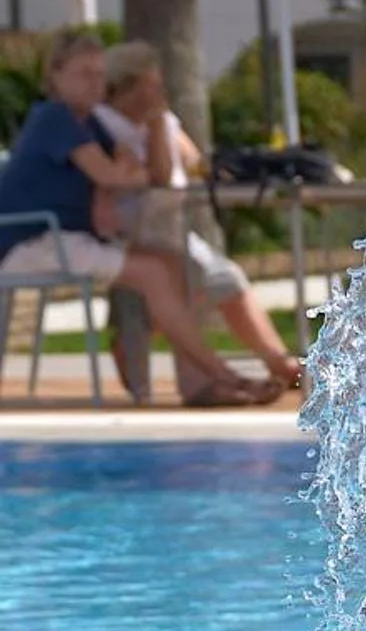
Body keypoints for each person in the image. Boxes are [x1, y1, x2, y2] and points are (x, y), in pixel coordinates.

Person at [0, 32, 275, 407]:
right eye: (83, 74)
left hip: (65, 238)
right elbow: (113, 175)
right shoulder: (54, 117)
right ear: (56, 76)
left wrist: (155, 124)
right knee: (154, 273)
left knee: (171, 262)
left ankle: (201, 383)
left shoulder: (88, 125)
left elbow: (142, 173)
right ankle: (224, 375)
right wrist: (125, 177)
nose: (94, 83)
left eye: (98, 74)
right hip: (31, 242)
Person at [94, 41, 302, 393]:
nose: (160, 92)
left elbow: (195, 163)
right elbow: (160, 176)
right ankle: (209, 379)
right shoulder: (106, 126)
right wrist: (158, 123)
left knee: (227, 279)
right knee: (200, 281)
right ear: (126, 87)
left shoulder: (160, 120)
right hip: (134, 229)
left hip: (174, 223)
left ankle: (279, 362)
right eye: (151, 84)